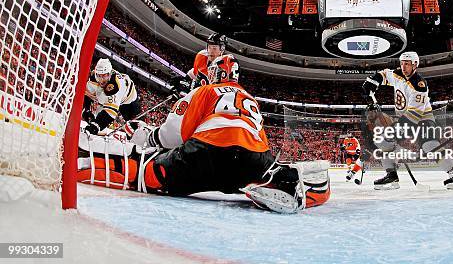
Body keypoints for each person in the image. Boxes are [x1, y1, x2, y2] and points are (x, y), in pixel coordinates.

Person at [77, 54, 330, 213]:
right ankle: (300, 182)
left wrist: (149, 137)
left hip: (206, 154)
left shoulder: (204, 91)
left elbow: (173, 136)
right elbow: (256, 139)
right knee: (269, 171)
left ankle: (81, 156)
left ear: (215, 75)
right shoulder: (250, 99)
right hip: (254, 161)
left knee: (148, 171)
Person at [362, 51, 453, 190]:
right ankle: (392, 177)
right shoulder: (397, 74)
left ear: (415, 65)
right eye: (402, 63)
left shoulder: (419, 85)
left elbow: (413, 115)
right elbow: (384, 74)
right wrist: (372, 82)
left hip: (422, 119)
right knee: (384, 141)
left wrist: (395, 130)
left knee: (429, 146)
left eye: (407, 64)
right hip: (404, 118)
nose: (404, 67)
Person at [82, 58, 140, 137]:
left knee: (134, 123)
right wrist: (87, 109)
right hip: (108, 98)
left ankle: (136, 135)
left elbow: (110, 113)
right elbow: (86, 95)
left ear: (109, 74)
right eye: (99, 76)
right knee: (95, 109)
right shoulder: (93, 79)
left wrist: (95, 126)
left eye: (104, 76)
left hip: (128, 100)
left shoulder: (116, 86)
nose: (101, 80)